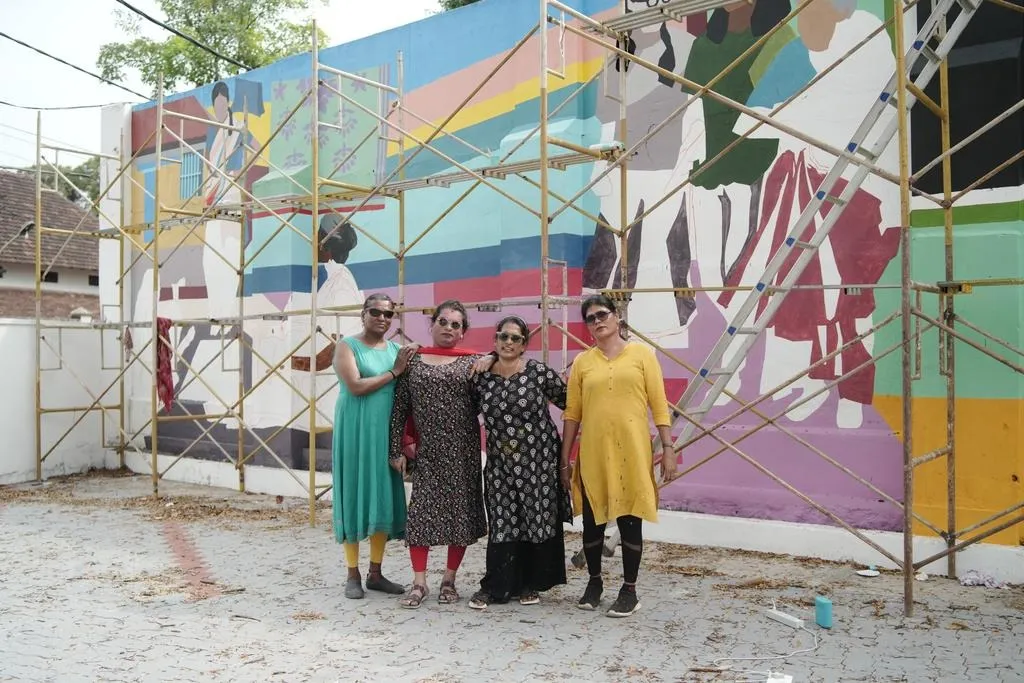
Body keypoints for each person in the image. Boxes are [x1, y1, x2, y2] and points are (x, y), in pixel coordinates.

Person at [561, 294, 678, 618]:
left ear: (617, 316)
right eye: (590, 318)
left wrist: (668, 448)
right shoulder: (583, 363)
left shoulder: (642, 355)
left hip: (633, 452)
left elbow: (659, 404)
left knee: (629, 519)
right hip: (594, 453)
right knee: (594, 521)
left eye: (602, 314)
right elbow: (572, 413)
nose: (597, 321)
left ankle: (629, 590)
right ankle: (594, 583)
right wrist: (564, 460)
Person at [467, 316, 572, 610]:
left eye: (515, 338)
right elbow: (466, 410)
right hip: (500, 461)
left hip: (538, 462)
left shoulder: (538, 373)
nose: (508, 342)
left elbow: (571, 403)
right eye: (503, 336)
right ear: (495, 340)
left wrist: (567, 455)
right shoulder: (482, 375)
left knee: (533, 520)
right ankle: (495, 586)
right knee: (502, 520)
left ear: (525, 344)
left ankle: (529, 583)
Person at [389, 300, 487, 609]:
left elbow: (491, 402)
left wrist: (492, 357)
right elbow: (400, 406)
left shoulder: (473, 363)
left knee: (459, 515)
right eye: (443, 321)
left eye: (455, 324)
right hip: (427, 452)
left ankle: (449, 580)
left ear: (463, 332)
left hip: (463, 451)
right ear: (432, 324)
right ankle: (419, 583)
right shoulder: (413, 361)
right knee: (420, 516)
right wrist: (395, 448)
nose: (448, 328)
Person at [332, 293, 419, 600]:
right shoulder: (347, 346)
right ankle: (352, 573)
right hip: (354, 432)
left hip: (385, 434)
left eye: (388, 314)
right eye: (376, 312)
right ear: (363, 313)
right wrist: (394, 372)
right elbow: (355, 387)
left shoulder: (397, 351)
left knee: (381, 496)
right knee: (354, 495)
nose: (382, 318)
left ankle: (376, 573)